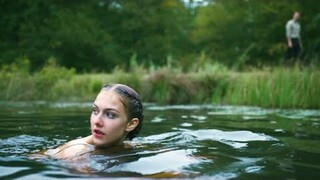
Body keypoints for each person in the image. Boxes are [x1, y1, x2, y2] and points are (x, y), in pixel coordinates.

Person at [45, 84, 144, 159]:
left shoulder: (125, 145)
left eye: (110, 115)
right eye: (95, 111)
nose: (97, 121)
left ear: (131, 124)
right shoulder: (78, 152)